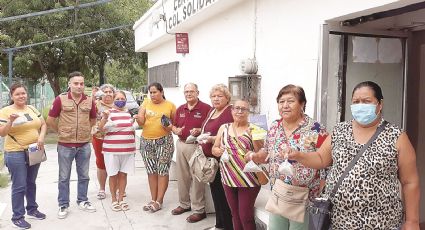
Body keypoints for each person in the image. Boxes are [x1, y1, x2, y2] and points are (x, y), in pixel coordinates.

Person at [288, 81, 420, 229]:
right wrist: (299, 156)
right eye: (356, 102)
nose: (360, 105)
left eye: (366, 101)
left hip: (382, 223)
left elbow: (410, 182)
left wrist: (412, 221)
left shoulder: (396, 136)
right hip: (339, 222)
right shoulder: (339, 131)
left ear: (380, 104)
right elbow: (320, 158)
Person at [251, 84, 328, 230]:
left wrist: (323, 186)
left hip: (304, 197)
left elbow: (326, 159)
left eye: (290, 101)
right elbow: (266, 150)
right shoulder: (275, 126)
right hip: (278, 192)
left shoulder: (315, 128)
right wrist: (256, 156)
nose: (285, 105)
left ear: (302, 104)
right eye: (281, 102)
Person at [46, 71, 97, 219]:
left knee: (84, 175)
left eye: (81, 83)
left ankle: (83, 200)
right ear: (69, 84)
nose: (79, 86)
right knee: (63, 176)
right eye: (76, 83)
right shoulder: (60, 99)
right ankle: (63, 204)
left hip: (84, 145)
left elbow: (93, 120)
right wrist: (61, 132)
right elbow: (50, 120)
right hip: (65, 145)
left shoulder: (89, 100)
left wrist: (85, 131)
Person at [0, 83, 47, 229]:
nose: (21, 96)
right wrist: (11, 121)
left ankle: (32, 209)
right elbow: (2, 133)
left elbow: (43, 124)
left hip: (34, 150)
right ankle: (17, 217)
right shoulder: (5, 111)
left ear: (27, 94)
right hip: (15, 152)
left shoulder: (31, 108)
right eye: (17, 94)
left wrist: (41, 138)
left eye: (23, 93)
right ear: (12, 96)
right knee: (19, 185)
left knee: (31, 182)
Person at [212, 99, 264, 230]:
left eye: (244, 109)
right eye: (237, 108)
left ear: (248, 112)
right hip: (228, 177)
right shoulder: (224, 128)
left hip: (249, 179)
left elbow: (261, 155)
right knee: (234, 215)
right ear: (232, 110)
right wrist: (219, 151)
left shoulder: (256, 128)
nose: (240, 111)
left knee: (245, 216)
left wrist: (255, 139)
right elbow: (214, 149)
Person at [171, 83, 211, 223]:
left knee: (197, 178)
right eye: (186, 91)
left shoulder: (206, 108)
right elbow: (174, 125)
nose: (188, 94)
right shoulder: (180, 108)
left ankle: (199, 210)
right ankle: (184, 204)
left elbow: (211, 127)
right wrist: (175, 130)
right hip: (181, 144)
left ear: (197, 92)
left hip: (197, 146)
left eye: (191, 91)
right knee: (182, 177)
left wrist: (200, 130)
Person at [136, 82, 176, 213]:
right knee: (151, 171)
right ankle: (153, 199)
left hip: (164, 142)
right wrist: (138, 117)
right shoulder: (145, 103)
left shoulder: (170, 105)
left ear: (162, 92)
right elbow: (141, 122)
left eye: (155, 92)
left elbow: (174, 123)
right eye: (150, 92)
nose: (152, 95)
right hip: (146, 141)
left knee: (162, 170)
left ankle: (159, 200)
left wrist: (169, 126)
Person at [200, 83, 234, 230]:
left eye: (220, 96)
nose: (216, 99)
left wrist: (212, 139)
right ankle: (219, 224)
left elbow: (232, 135)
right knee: (215, 192)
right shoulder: (212, 111)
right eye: (213, 96)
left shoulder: (230, 111)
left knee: (224, 195)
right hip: (211, 160)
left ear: (227, 98)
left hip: (224, 160)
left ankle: (227, 226)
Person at [98, 90, 136, 212]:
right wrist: (104, 117)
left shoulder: (128, 113)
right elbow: (101, 129)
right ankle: (114, 200)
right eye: (118, 99)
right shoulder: (109, 113)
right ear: (113, 100)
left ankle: (121, 199)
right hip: (112, 151)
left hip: (127, 151)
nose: (120, 101)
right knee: (113, 175)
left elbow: (131, 130)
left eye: (122, 99)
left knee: (123, 174)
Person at [91, 84, 115, 200]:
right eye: (105, 91)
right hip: (99, 138)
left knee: (116, 163)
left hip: (115, 138)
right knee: (101, 163)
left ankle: (117, 188)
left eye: (110, 91)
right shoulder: (95, 105)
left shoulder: (118, 106)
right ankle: (102, 189)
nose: (108, 94)